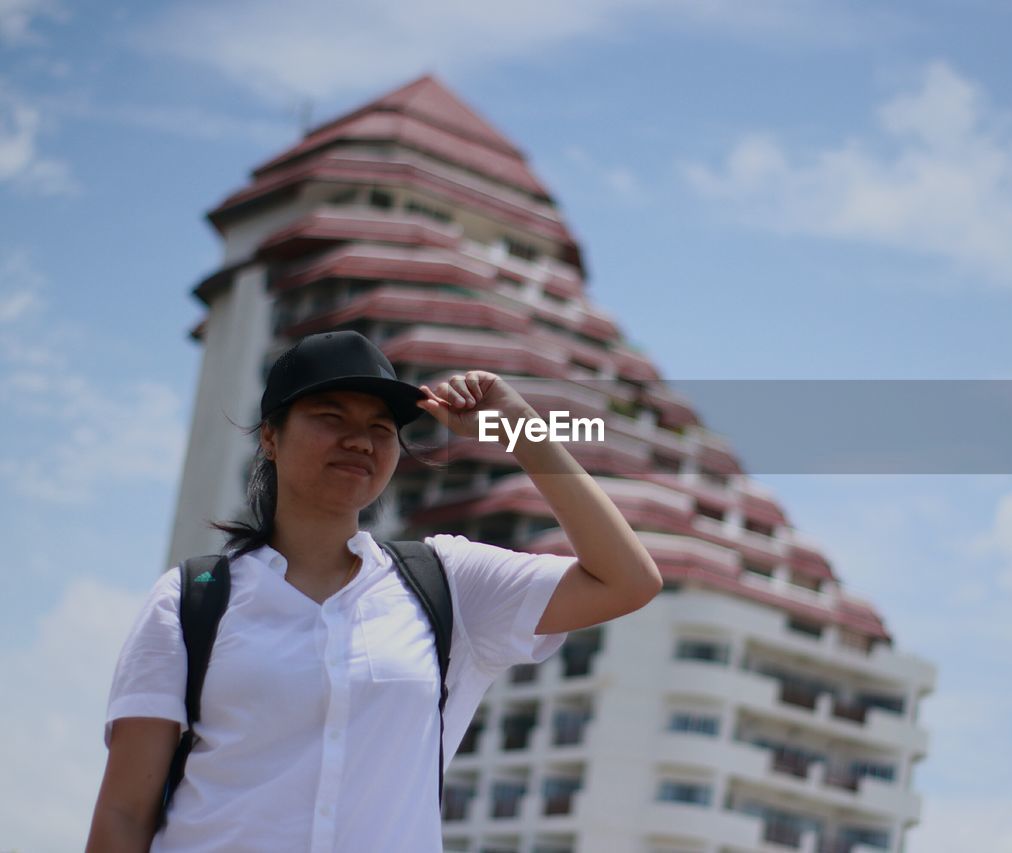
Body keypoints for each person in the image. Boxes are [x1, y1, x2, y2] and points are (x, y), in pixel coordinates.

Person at [86, 330, 663, 852]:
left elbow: (629, 580)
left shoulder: (448, 582)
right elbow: (122, 815)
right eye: (331, 417)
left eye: (380, 429)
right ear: (270, 438)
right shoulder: (191, 599)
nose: (359, 441)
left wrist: (518, 427)